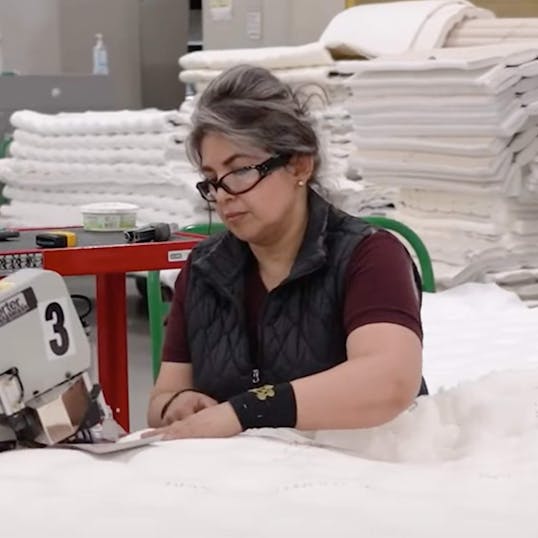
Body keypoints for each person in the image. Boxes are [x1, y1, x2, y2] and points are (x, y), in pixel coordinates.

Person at [144, 64, 427, 441]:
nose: (224, 194)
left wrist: (245, 412)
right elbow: (162, 396)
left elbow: (390, 380)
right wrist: (177, 404)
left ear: (299, 164)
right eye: (212, 180)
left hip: (358, 475)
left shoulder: (370, 256)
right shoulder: (203, 270)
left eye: (241, 171)